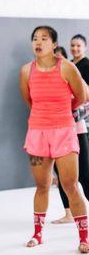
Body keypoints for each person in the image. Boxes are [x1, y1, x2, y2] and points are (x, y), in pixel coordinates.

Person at [19, 26, 88, 252]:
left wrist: (61, 114)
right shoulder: (26, 71)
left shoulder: (67, 67)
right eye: (35, 39)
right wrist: (43, 117)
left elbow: (81, 96)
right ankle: (38, 234)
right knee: (42, 186)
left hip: (64, 131)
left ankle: (84, 237)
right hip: (38, 133)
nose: (38, 42)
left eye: (44, 38)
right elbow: (29, 100)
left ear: (54, 44)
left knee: (70, 185)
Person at [52, 34, 89, 224]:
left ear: (84, 47)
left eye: (78, 45)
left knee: (84, 173)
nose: (75, 48)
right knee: (62, 175)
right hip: (59, 128)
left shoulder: (84, 67)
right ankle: (68, 213)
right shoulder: (66, 67)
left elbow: (85, 99)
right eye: (72, 45)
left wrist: (73, 113)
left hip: (77, 127)